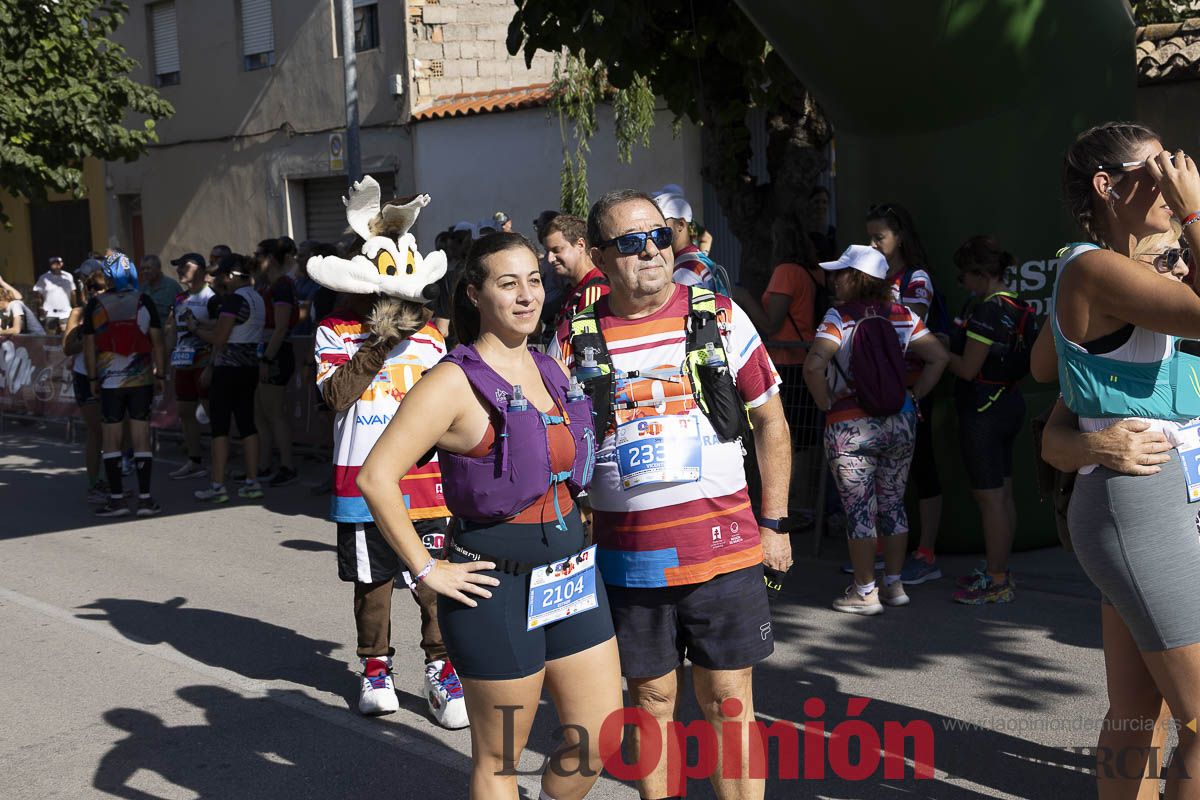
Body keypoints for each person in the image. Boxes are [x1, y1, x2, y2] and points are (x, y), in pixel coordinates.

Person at [357, 232, 621, 798]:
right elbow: (375, 478)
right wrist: (427, 569)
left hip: (571, 577)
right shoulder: (451, 381)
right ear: (475, 295)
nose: (527, 295)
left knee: (597, 741)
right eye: (508, 284)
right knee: (500, 758)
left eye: (533, 280)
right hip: (494, 589)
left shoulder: (549, 365)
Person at [557, 189, 792, 800]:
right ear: (601, 257)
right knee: (651, 700)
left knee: (730, 701)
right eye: (631, 243)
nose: (652, 252)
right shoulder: (574, 335)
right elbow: (552, 438)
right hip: (630, 558)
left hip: (724, 550)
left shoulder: (717, 314)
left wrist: (777, 524)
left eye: (660, 236)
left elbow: (772, 420)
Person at [1048, 121, 1200, 797]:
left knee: (1143, 711)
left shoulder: (1154, 274)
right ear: (1108, 188)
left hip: (1176, 497)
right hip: (1143, 502)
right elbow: (1058, 393)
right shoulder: (1089, 268)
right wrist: (1193, 210)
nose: (1172, 176)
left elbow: (1069, 397)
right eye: (1157, 169)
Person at [314, 284, 468, 726]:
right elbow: (336, 396)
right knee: (373, 583)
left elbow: (448, 404)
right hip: (363, 480)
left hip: (426, 480)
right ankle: (376, 667)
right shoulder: (335, 328)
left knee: (434, 582)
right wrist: (381, 339)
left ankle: (440, 667)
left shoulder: (429, 337)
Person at [802, 245, 948, 614]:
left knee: (860, 512)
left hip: (850, 424)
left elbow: (814, 363)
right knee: (893, 505)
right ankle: (895, 586)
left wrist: (824, 402)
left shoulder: (839, 316)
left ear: (855, 277)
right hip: (899, 421)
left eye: (840, 272)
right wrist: (915, 395)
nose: (834, 279)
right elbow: (938, 356)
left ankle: (865, 592)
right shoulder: (901, 314)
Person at [939, 236, 1031, 603]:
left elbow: (966, 369)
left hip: (983, 411)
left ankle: (996, 581)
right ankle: (1000, 571)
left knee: (989, 499)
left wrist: (939, 349)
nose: (962, 284)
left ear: (979, 273)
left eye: (964, 277)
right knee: (1003, 495)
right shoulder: (1019, 304)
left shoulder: (988, 310)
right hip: (1009, 404)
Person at [865, 203, 945, 584]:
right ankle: (882, 549)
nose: (873, 244)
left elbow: (907, 327)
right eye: (870, 238)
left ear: (900, 237)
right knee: (882, 471)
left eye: (879, 237)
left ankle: (926, 552)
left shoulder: (917, 276)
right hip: (882, 388)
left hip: (913, 388)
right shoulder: (876, 277)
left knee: (922, 469)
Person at [83, 253, 166, 518]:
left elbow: (89, 347)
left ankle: (117, 500)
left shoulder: (95, 305)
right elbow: (158, 341)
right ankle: (145, 499)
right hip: (141, 379)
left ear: (108, 276)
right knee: (141, 437)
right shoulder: (144, 301)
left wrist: (93, 378)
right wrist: (161, 375)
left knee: (112, 440)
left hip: (109, 382)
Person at [187, 254, 266, 504]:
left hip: (228, 369)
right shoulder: (258, 297)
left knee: (219, 428)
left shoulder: (234, 299)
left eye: (221, 276)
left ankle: (217, 485)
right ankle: (252, 482)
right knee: (247, 424)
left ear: (231, 276)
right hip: (249, 367)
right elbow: (230, 330)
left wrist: (195, 329)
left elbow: (219, 339)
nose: (219, 280)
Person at [166, 253, 215, 480]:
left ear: (200, 269)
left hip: (204, 361)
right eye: (178, 267)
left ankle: (218, 461)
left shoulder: (211, 297)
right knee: (185, 412)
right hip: (183, 362)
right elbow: (173, 330)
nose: (180, 271)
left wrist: (212, 365)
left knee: (212, 413)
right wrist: (166, 360)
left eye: (184, 266)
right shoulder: (179, 298)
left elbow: (220, 331)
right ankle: (194, 460)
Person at [63, 260, 108, 502]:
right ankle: (94, 483)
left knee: (116, 432)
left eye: (99, 287)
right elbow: (67, 348)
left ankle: (112, 482)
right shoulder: (78, 313)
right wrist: (89, 340)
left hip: (111, 375)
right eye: (90, 287)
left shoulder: (114, 309)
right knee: (97, 431)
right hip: (84, 376)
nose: (95, 292)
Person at [254, 238, 298, 487]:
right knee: (261, 413)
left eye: (259, 255)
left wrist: (267, 358)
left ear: (270, 258)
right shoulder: (268, 285)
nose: (256, 260)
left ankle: (287, 465)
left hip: (277, 355)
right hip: (267, 352)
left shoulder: (282, 286)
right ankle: (263, 464)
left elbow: (281, 328)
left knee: (274, 412)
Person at [538, 213, 608, 347]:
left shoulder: (594, 292)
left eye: (556, 250)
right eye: (548, 251)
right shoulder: (574, 289)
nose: (550, 259)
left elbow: (591, 350)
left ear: (580, 245)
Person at [654, 192, 716, 291]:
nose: (655, 231)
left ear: (681, 224)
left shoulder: (684, 272)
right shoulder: (694, 256)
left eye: (660, 224)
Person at [33, 255, 74, 334]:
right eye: (53, 263)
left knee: (67, 334)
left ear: (61, 264)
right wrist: (40, 307)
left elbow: (73, 292)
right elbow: (38, 293)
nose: (56, 265)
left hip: (66, 311)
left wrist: (74, 305)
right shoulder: (44, 278)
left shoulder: (68, 276)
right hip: (50, 312)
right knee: (51, 335)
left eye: (58, 263)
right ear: (50, 265)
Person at [139, 254, 183, 324]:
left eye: (148, 268)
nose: (145, 271)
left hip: (165, 333)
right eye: (142, 269)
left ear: (158, 268)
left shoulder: (172, 287)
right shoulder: (142, 288)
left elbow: (182, 311)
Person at [807, 185, 838, 262]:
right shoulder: (802, 233)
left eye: (824, 202)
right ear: (808, 204)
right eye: (816, 202)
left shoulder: (832, 232)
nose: (820, 206)